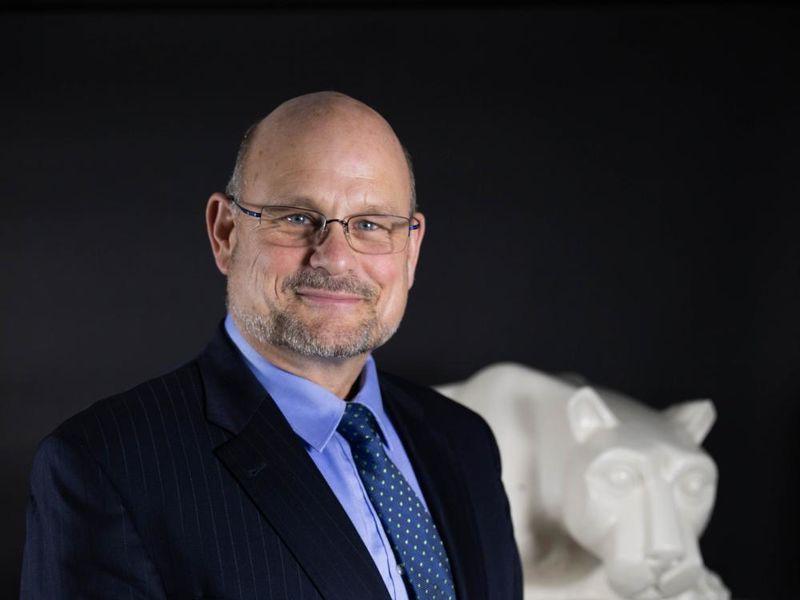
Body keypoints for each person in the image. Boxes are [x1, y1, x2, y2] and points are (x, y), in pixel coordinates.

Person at [20, 91, 522, 599]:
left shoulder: (464, 442)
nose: (335, 259)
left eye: (370, 224)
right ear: (226, 233)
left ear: (411, 249)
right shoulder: (107, 467)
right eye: (297, 218)